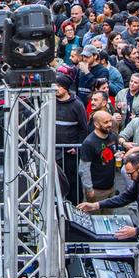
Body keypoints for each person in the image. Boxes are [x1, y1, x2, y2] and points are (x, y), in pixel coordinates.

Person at [79, 153, 139, 225]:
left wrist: (137, 231)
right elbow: (124, 198)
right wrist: (96, 205)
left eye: (130, 174)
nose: (129, 177)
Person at [55, 72, 89, 205]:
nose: (56, 88)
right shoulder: (49, 102)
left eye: (59, 86)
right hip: (53, 151)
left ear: (66, 88)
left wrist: (77, 147)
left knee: (72, 180)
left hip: (69, 152)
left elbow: (84, 128)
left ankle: (74, 205)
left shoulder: (77, 105)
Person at [79, 110, 119, 205]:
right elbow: (84, 168)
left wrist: (118, 154)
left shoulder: (113, 136)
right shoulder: (89, 143)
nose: (110, 124)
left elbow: (115, 152)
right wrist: (89, 189)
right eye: (105, 122)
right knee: (94, 214)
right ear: (96, 124)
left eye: (110, 121)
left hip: (111, 187)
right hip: (96, 190)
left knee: (109, 214)